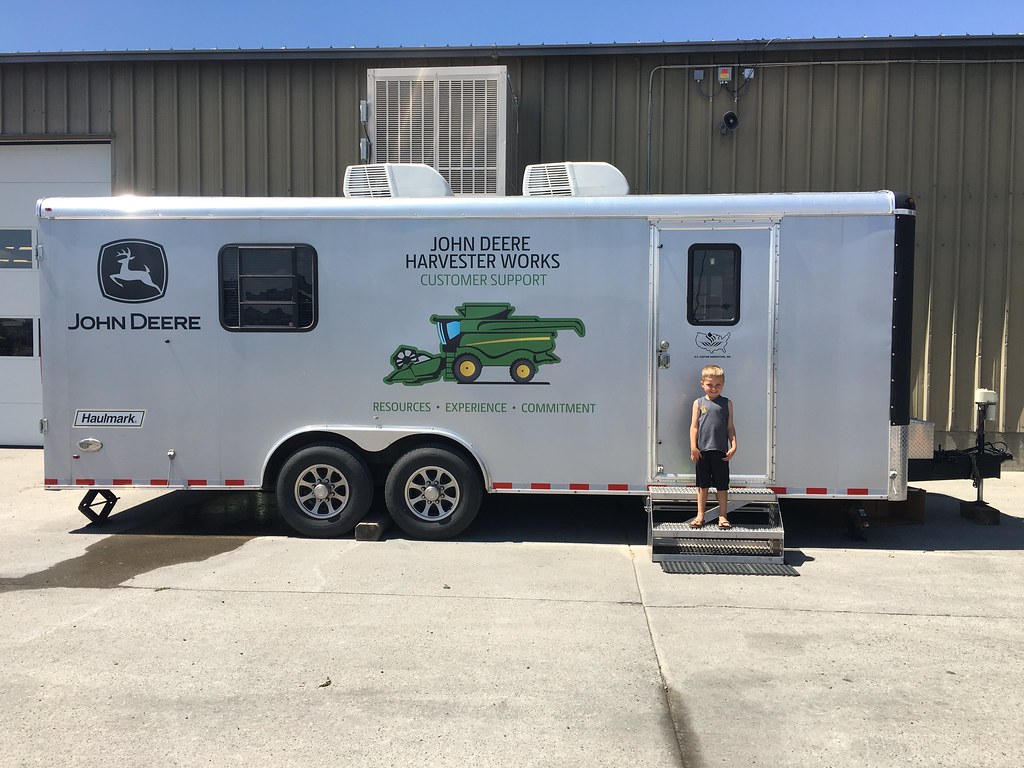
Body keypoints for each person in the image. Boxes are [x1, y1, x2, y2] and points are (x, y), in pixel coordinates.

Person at [689, 364, 737, 528]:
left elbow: (730, 427)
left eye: (718, 385)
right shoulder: (698, 403)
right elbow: (694, 426)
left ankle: (723, 516)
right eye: (710, 385)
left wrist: (734, 445)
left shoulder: (727, 403)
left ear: (723, 385)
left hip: (721, 452)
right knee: (703, 485)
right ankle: (700, 515)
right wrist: (693, 447)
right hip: (702, 452)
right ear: (702, 384)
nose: (714, 388)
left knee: (722, 485)